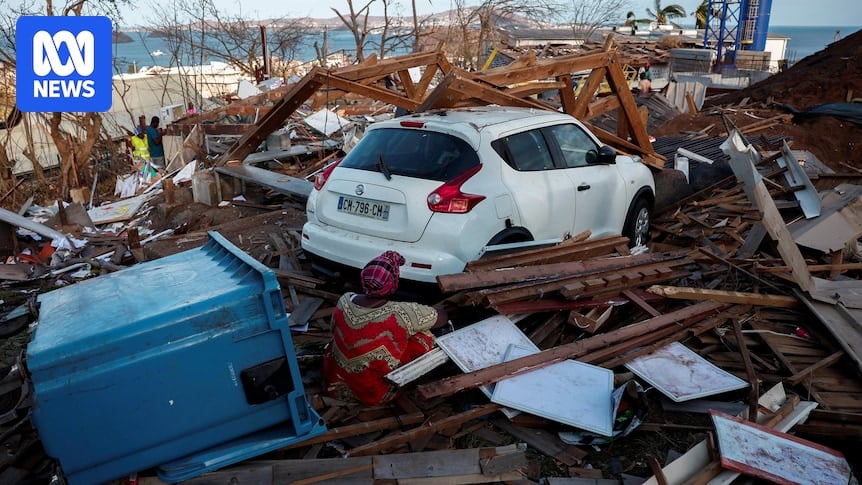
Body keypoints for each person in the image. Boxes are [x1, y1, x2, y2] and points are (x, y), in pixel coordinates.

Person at [323, 250, 448, 406]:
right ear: (393, 283)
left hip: (335, 384)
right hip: (373, 394)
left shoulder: (345, 299)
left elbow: (333, 330)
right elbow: (441, 318)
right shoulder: (401, 313)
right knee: (426, 336)